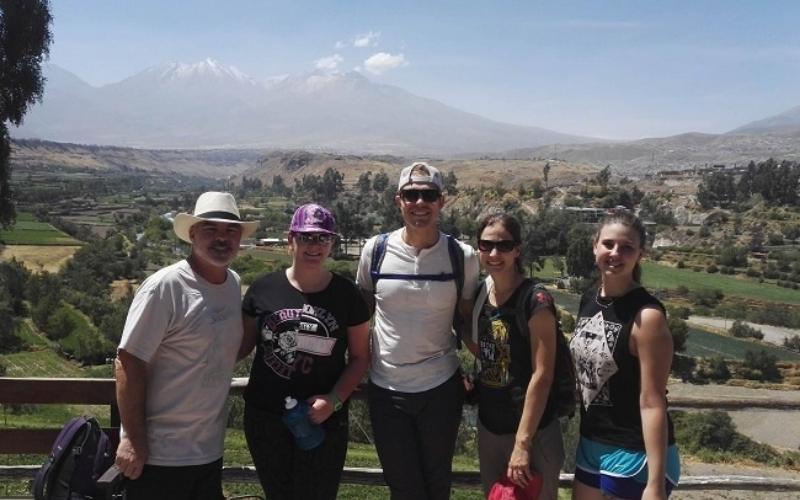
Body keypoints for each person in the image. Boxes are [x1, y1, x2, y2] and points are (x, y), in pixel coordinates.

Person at [114, 191, 257, 500]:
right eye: (211, 229)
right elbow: (128, 362)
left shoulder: (232, 283)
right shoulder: (165, 287)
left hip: (207, 451)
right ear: (192, 234)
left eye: (231, 230)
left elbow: (226, 347)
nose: (222, 238)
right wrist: (133, 441)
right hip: (157, 454)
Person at [356, 162, 480, 500]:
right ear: (399, 200)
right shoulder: (375, 251)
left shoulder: (462, 257)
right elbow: (360, 316)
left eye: (428, 195)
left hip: (441, 389)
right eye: (412, 195)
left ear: (442, 201)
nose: (420, 203)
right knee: (403, 487)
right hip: (386, 388)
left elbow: (467, 321)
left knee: (437, 486)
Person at [239, 203, 370, 500]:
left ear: (332, 243)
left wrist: (333, 401)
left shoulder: (347, 295)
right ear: (290, 240)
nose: (314, 245)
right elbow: (241, 347)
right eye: (306, 237)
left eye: (323, 238)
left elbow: (361, 358)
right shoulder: (262, 289)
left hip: (323, 421)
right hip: (265, 417)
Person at [570, 209, 680, 500]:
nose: (615, 253)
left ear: (639, 255)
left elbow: (652, 401)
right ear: (595, 246)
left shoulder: (647, 316)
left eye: (626, 247)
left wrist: (654, 486)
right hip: (591, 441)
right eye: (608, 244)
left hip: (633, 450)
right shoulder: (589, 299)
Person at [470, 213, 565, 499]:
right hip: (491, 429)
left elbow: (543, 374)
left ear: (518, 250)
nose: (494, 253)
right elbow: (486, 350)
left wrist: (522, 444)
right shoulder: (481, 295)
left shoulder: (535, 301)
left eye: (504, 246)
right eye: (486, 245)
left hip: (532, 436)